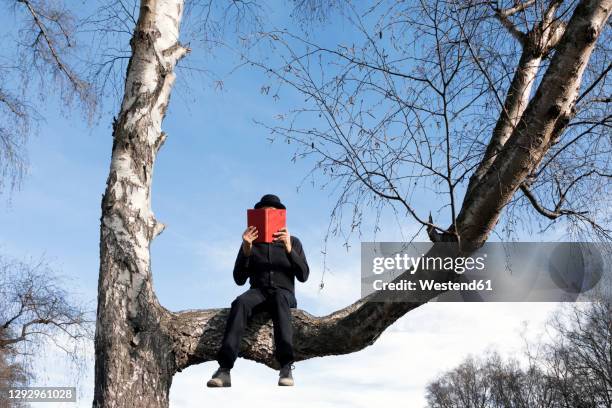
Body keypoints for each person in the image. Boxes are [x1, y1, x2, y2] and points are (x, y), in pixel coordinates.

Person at [207, 194, 310, 387]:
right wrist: (246, 251)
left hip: (284, 294)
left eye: (272, 214)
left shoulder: (293, 241)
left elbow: (304, 275)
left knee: (280, 298)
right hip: (258, 292)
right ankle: (224, 369)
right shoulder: (250, 242)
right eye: (263, 214)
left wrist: (289, 250)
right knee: (240, 302)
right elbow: (239, 279)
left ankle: (286, 366)